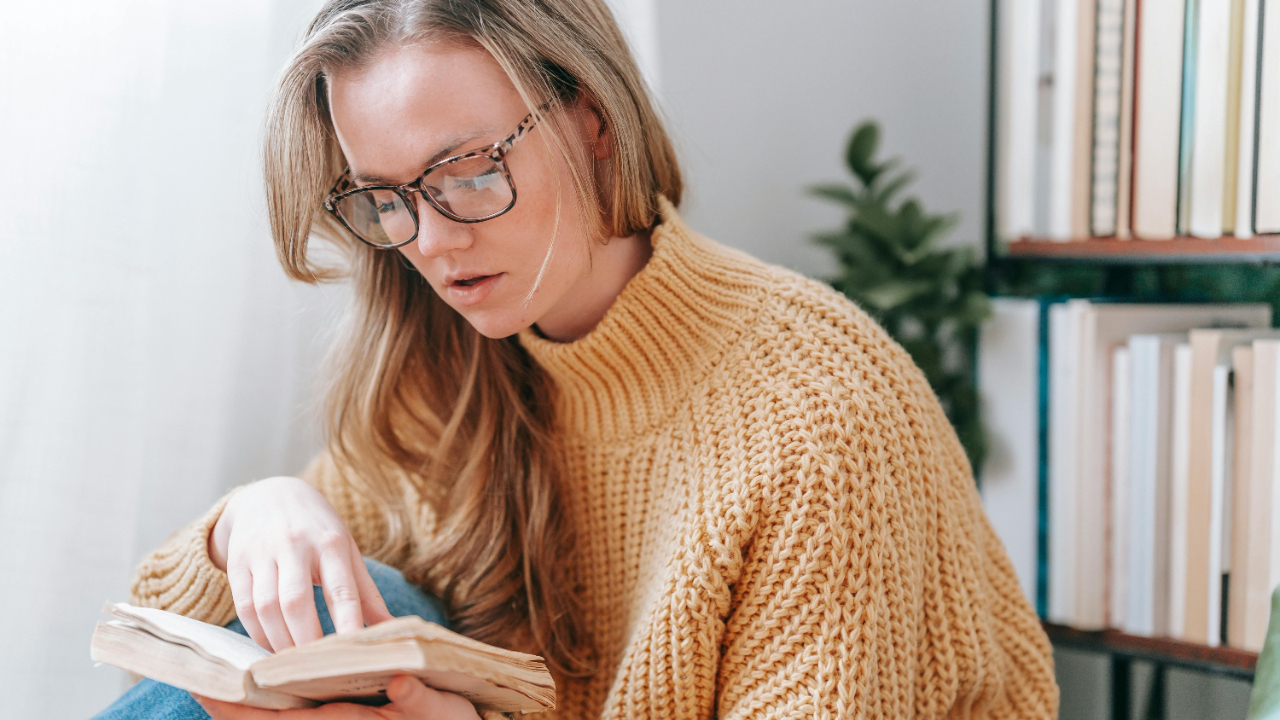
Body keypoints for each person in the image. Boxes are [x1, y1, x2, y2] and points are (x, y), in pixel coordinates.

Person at [93, 0, 1059, 718]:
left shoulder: (819, 416)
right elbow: (152, 675)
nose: (428, 241)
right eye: (385, 196)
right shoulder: (448, 368)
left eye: (469, 172)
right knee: (330, 601)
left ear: (593, 124)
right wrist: (252, 519)